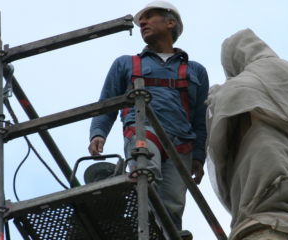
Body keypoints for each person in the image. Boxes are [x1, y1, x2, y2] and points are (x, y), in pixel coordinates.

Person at [88, 0, 208, 235]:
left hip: (181, 142)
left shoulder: (195, 70)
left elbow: (200, 119)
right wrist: (98, 133)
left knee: (173, 203)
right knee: (146, 177)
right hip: (143, 128)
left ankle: (166, 235)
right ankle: (142, 230)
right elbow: (106, 103)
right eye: (141, 20)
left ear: (170, 22)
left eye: (150, 17)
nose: (142, 22)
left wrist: (199, 156)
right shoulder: (126, 63)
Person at [205, 29, 288, 240]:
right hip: (281, 148)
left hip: (262, 144)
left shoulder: (262, 72)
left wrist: (216, 96)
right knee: (282, 188)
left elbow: (237, 96)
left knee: (264, 194)